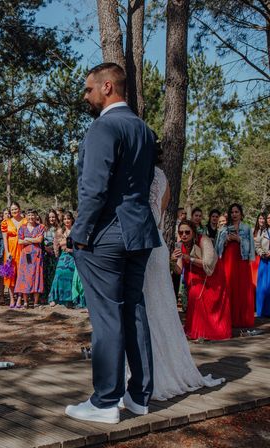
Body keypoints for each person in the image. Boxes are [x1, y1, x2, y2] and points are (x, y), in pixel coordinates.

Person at [65, 63, 160, 424]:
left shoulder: (103, 127)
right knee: (134, 311)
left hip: (105, 235)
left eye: (88, 89)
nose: (85, 96)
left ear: (108, 87)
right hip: (139, 233)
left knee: (106, 316)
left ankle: (105, 401)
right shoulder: (144, 131)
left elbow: (94, 189)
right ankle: (139, 396)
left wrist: (80, 233)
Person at [144, 165, 226, 399]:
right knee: (160, 309)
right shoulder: (161, 176)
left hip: (142, 244)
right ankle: (160, 368)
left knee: (148, 308)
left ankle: (148, 372)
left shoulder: (134, 170)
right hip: (156, 241)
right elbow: (159, 213)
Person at [172, 220, 231, 341]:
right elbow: (178, 271)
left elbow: (208, 263)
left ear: (193, 232)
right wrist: (174, 260)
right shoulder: (179, 245)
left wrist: (189, 258)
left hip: (212, 275)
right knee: (195, 300)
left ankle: (211, 330)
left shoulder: (203, 240)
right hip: (193, 277)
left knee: (210, 303)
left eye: (187, 232)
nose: (184, 235)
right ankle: (196, 330)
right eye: (181, 232)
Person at [216, 203, 256, 329]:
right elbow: (218, 248)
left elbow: (251, 246)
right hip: (228, 261)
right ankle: (229, 318)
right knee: (229, 287)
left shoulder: (247, 228)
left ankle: (243, 319)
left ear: (241, 213)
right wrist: (226, 240)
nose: (234, 214)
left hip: (242, 261)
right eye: (232, 212)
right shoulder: (224, 229)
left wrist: (239, 239)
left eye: (236, 212)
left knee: (243, 288)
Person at [48, 212, 83, 308]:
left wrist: (72, 250)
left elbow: (81, 246)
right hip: (63, 257)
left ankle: (70, 299)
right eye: (65, 219)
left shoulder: (76, 230)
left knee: (71, 276)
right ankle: (54, 298)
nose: (66, 221)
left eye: (68, 218)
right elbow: (55, 244)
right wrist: (57, 255)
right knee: (59, 274)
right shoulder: (60, 231)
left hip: (74, 257)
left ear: (72, 219)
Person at [14, 210, 45, 308]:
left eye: (33, 215)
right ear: (26, 216)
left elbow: (39, 240)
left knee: (36, 276)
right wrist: (33, 239)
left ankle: (36, 302)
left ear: (36, 216)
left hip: (37, 255)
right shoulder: (22, 228)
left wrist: (27, 239)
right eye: (29, 215)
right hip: (25, 255)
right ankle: (26, 302)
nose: (31, 217)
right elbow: (19, 241)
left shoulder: (40, 227)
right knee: (25, 277)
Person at [1, 202, 27, 308]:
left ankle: (20, 298)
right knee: (10, 274)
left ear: (19, 209)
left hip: (22, 249)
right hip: (10, 250)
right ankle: (12, 298)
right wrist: (7, 252)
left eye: (16, 209)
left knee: (21, 274)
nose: (14, 211)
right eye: (12, 210)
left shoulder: (25, 221)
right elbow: (4, 239)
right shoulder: (5, 222)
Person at [43, 209, 60, 302]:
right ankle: (47, 296)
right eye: (50, 217)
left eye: (53, 217)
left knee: (55, 275)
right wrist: (46, 248)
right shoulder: (44, 228)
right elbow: (41, 241)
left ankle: (55, 296)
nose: (52, 218)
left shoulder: (59, 228)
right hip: (46, 254)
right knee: (47, 275)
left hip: (57, 254)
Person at [255, 212, 270, 317]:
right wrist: (262, 253)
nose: (269, 219)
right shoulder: (263, 231)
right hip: (264, 261)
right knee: (262, 287)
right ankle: (263, 312)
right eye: (268, 217)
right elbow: (257, 245)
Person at [252, 212, 267, 292]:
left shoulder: (267, 231)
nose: (261, 220)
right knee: (253, 281)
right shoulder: (253, 230)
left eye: (263, 219)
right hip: (253, 259)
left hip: (262, 259)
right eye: (260, 218)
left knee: (261, 282)